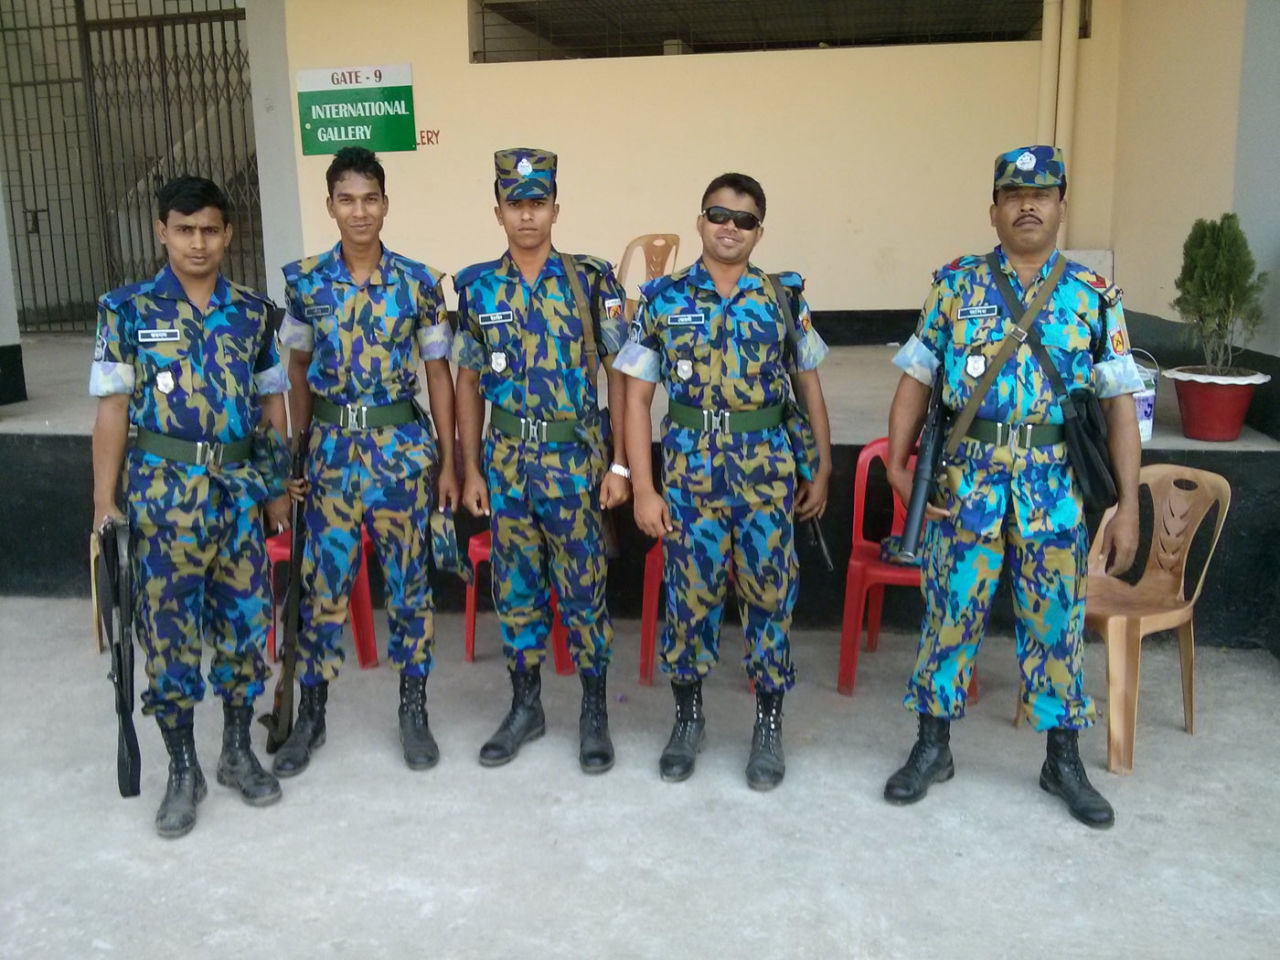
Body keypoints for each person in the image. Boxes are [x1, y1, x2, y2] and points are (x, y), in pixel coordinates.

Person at [882, 145, 1143, 828]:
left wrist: (1125, 504)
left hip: (1055, 486)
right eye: (1014, 195)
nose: (1028, 205)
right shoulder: (956, 286)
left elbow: (1119, 405)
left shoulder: (1093, 298)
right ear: (993, 209)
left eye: (1044, 193)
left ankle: (1063, 760)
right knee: (949, 613)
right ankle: (932, 747)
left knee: (1056, 624)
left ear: (1060, 207)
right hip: (965, 481)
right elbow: (915, 377)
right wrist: (897, 465)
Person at [616, 172, 832, 790]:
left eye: (743, 219)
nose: (729, 227)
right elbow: (636, 400)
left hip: (768, 475)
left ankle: (768, 725)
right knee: (690, 601)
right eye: (718, 214)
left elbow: (809, 383)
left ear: (759, 230)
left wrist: (822, 463)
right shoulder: (662, 298)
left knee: (770, 597)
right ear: (700, 221)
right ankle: (688, 718)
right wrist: (645, 485)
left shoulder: (783, 298)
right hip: (689, 478)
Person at [90, 175, 290, 838]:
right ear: (161, 232)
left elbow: (272, 408)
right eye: (184, 230)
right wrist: (103, 503)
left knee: (242, 633)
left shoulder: (256, 313)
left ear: (228, 233)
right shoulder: (125, 310)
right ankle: (183, 768)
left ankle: (235, 751)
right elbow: (112, 410)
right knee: (168, 643)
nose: (197, 243)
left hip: (236, 500)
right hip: (162, 504)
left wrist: (276, 498)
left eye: (209, 230)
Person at [273, 147, 457, 775]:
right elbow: (295, 368)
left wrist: (450, 460)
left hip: (401, 456)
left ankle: (413, 711)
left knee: (410, 589)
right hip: (328, 459)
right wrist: (296, 446)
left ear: (385, 204)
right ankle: (312, 715)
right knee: (322, 589)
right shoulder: (303, 284)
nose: (359, 211)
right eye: (346, 199)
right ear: (330, 205)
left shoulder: (418, 284)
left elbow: (438, 372)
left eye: (370, 199)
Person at [453, 147, 630, 773]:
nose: (527, 216)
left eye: (537, 203)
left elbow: (621, 374)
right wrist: (471, 468)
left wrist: (622, 466)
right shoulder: (477, 288)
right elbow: (468, 383)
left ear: (556, 207)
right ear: (497, 210)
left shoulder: (591, 279)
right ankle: (526, 707)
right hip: (505, 464)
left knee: (584, 590)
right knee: (517, 588)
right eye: (515, 204)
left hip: (575, 461)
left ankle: (593, 712)